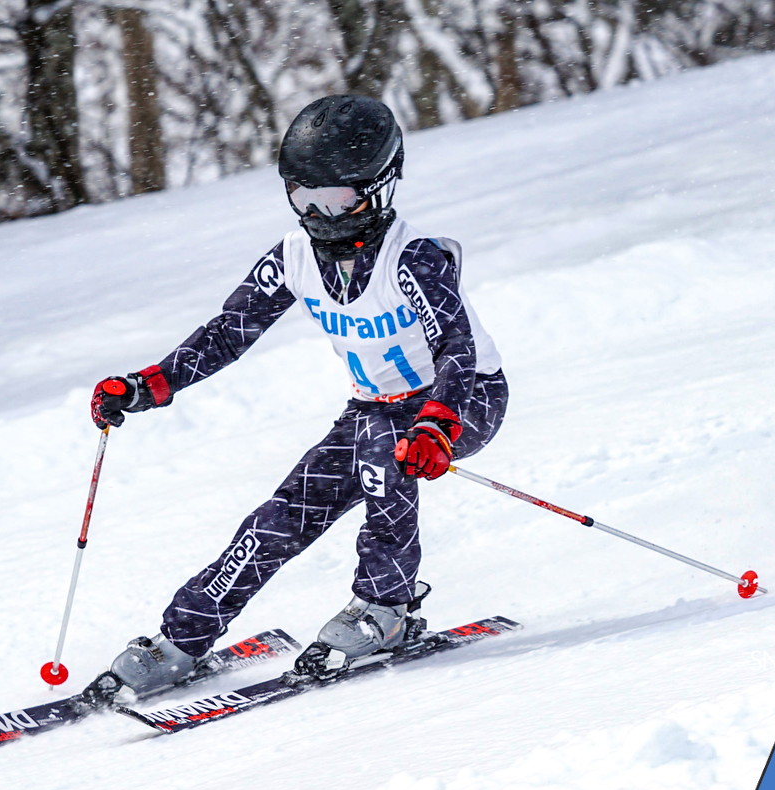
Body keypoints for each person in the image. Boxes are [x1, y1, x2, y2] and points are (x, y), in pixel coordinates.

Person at [83, 94, 507, 704]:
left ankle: (385, 609)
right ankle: (182, 637)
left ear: (381, 186)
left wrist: (438, 424)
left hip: (463, 399)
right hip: (376, 409)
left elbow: (458, 351)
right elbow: (230, 331)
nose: (320, 216)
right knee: (279, 518)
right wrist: (150, 384)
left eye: (337, 200)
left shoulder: (412, 258)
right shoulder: (294, 257)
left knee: (383, 453)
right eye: (303, 198)